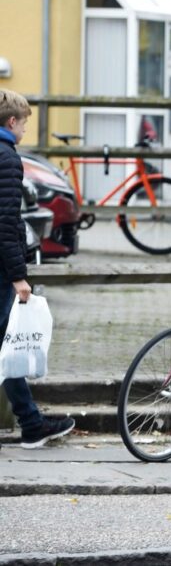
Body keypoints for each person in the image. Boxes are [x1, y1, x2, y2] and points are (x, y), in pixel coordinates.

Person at [0, 90, 75, 450]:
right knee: (4, 345)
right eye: (25, 122)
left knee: (4, 344)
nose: (26, 129)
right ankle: (31, 423)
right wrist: (18, 277)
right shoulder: (8, 159)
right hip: (2, 267)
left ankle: (31, 422)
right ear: (12, 122)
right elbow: (4, 222)